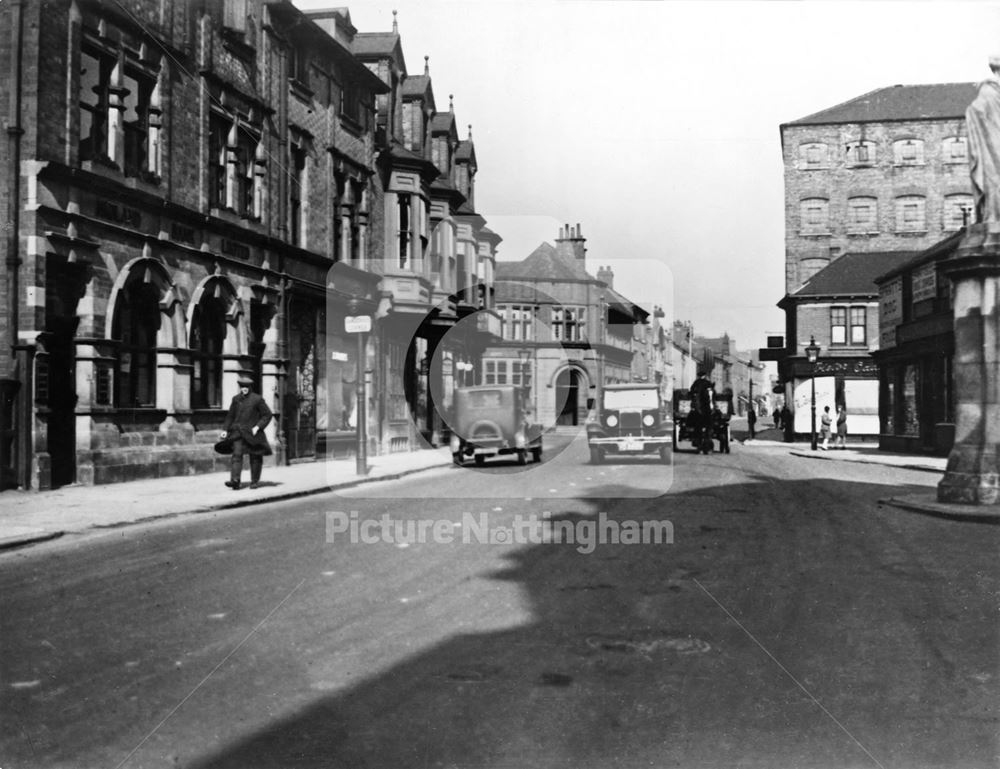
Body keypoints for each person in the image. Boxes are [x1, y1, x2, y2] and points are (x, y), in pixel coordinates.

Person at [221, 376, 273, 489]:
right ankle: (235, 480)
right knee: (236, 455)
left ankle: (254, 481)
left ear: (250, 387)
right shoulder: (236, 399)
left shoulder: (257, 399)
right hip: (237, 432)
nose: (244, 389)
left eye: (246, 387)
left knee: (255, 456)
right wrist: (225, 429)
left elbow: (267, 415)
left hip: (252, 433)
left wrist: (258, 427)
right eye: (242, 386)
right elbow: (230, 416)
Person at [966, 56, 1000, 224]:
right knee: (994, 178)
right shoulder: (989, 89)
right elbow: (976, 111)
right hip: (993, 143)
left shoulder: (988, 90)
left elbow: (975, 110)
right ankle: (994, 216)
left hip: (994, 142)